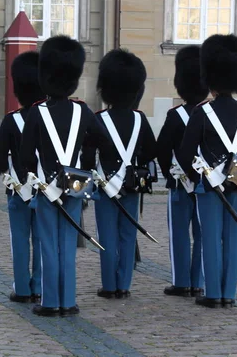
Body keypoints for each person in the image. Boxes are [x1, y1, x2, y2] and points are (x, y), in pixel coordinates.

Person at [177, 34, 237, 308]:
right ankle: (229, 294)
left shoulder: (202, 112)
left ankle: (213, 294)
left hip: (209, 185)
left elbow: (185, 152)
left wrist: (199, 177)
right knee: (233, 238)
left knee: (209, 237)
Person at [20, 35, 111, 317]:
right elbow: (102, 142)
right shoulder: (83, 111)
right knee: (68, 246)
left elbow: (24, 158)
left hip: (47, 189)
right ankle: (68, 301)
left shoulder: (37, 113)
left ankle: (50, 302)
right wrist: (83, 163)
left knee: (48, 245)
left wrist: (35, 177)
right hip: (73, 187)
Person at [82, 49, 156, 299]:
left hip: (105, 186)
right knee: (127, 235)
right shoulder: (140, 119)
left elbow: (87, 157)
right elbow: (150, 151)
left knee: (108, 236)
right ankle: (124, 285)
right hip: (132, 186)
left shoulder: (98, 119)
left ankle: (109, 286)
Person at [0, 51, 44, 304]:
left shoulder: (11, 120)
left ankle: (22, 289)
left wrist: (10, 174)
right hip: (47, 191)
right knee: (43, 240)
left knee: (20, 242)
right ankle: (40, 286)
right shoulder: (50, 119)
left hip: (19, 190)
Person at [157, 45, 208, 297]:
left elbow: (162, 149)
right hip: (207, 183)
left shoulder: (175, 115)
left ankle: (181, 283)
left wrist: (169, 173)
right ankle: (197, 282)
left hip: (180, 184)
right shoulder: (212, 115)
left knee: (179, 234)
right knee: (201, 234)